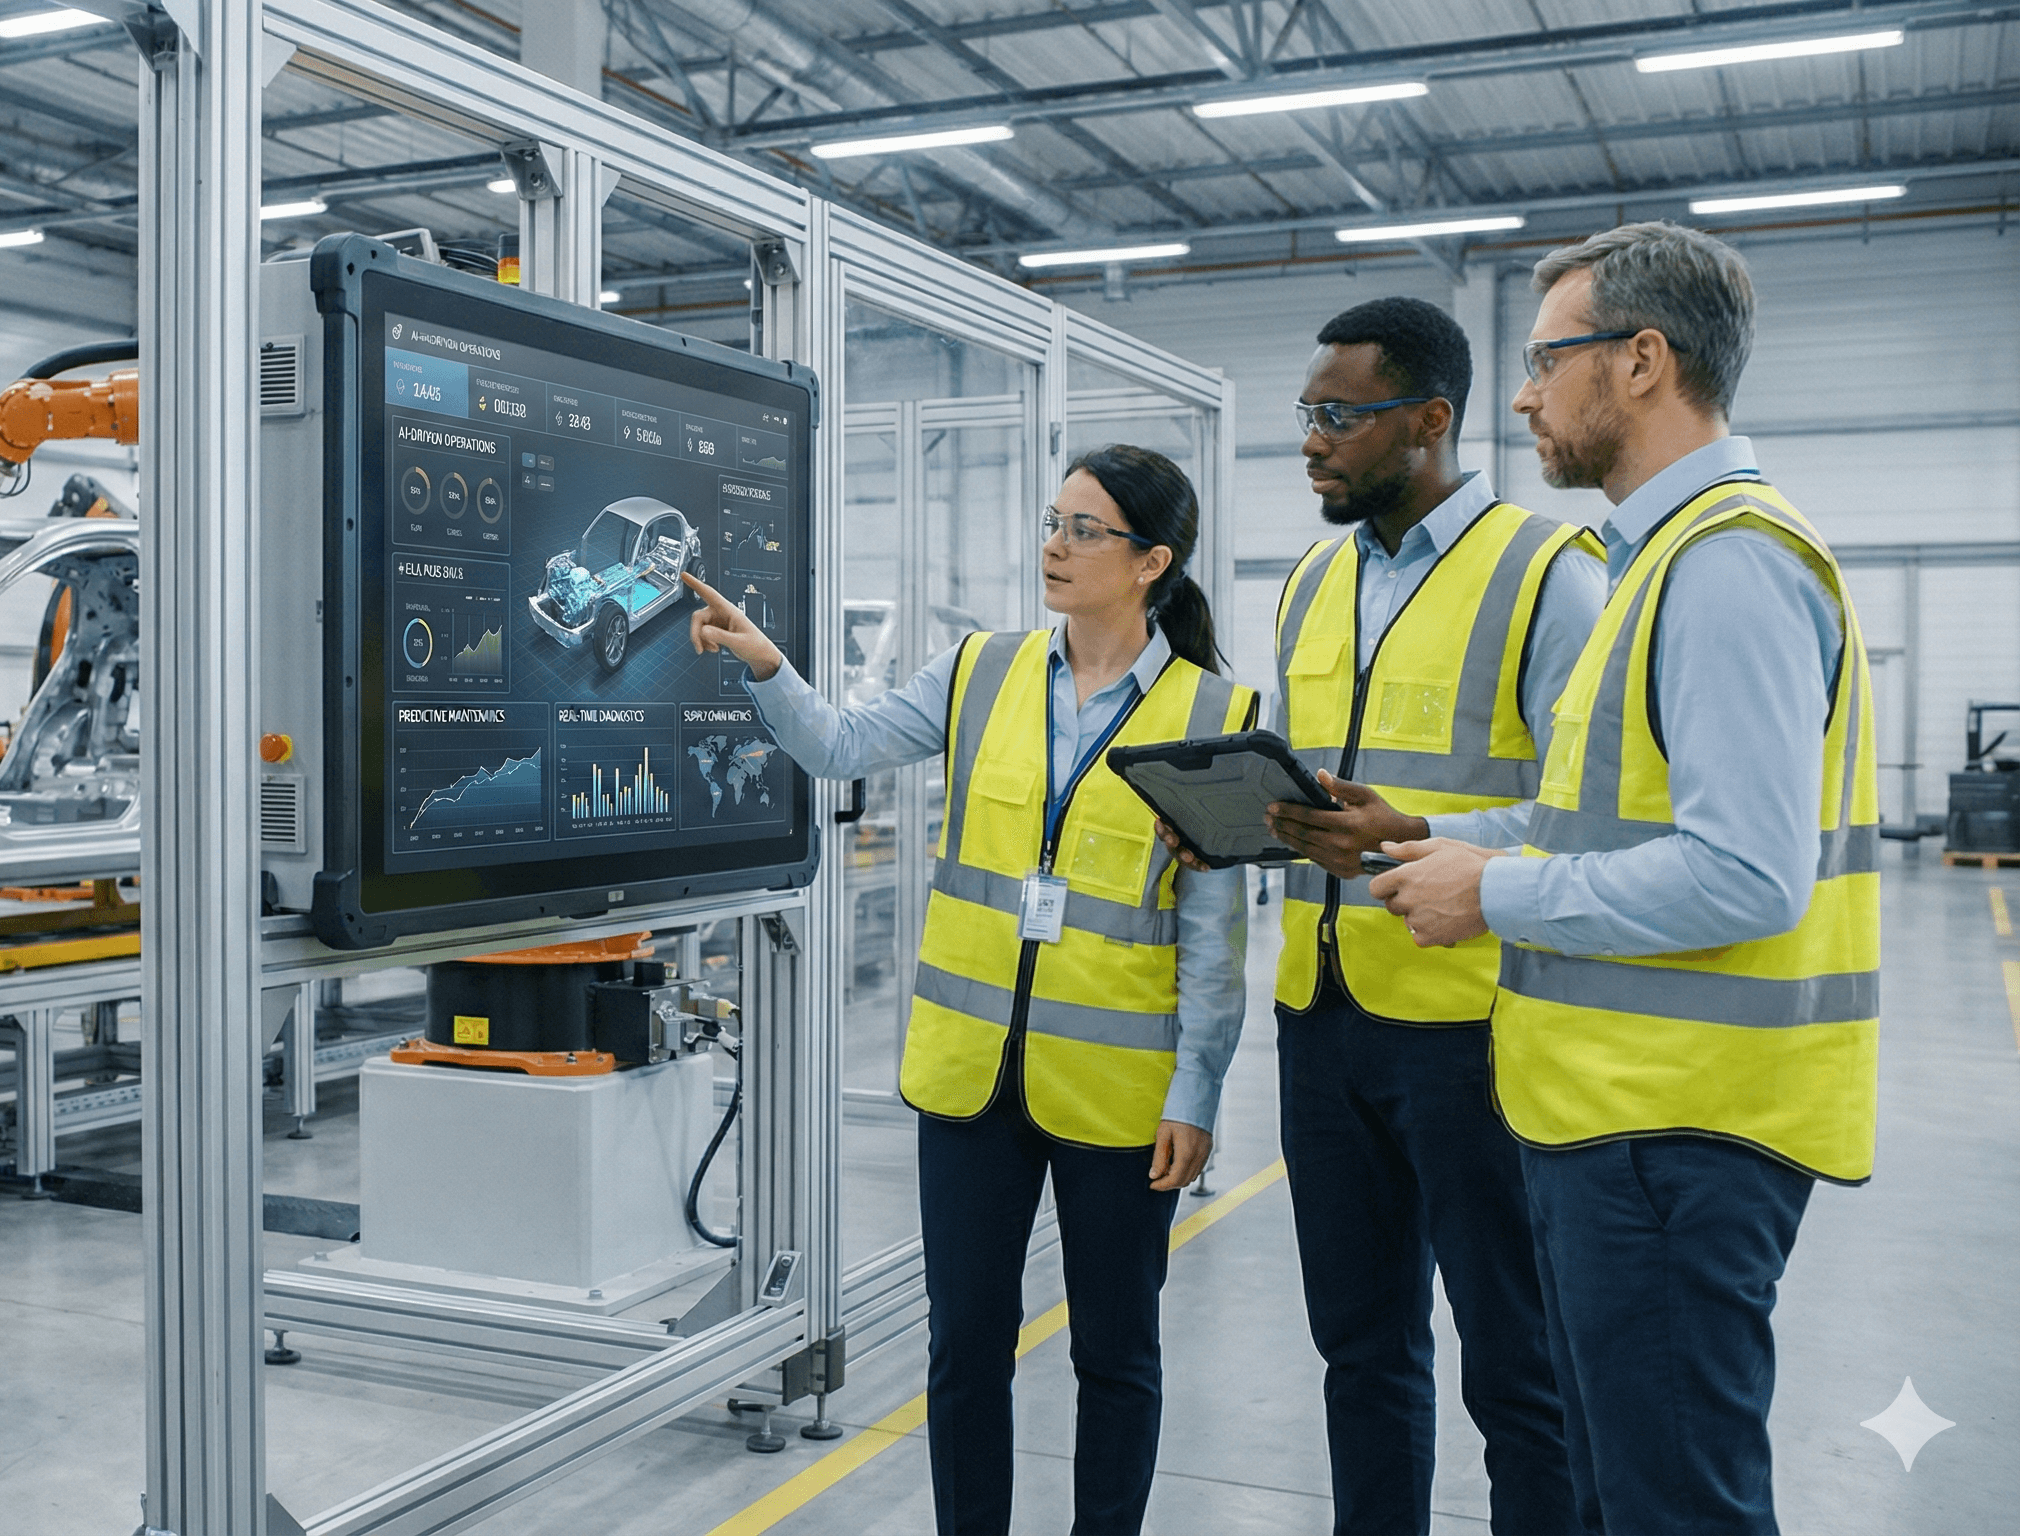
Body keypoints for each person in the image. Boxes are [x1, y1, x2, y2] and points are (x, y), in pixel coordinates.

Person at [1368, 222, 1880, 1536]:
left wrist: (1495, 893)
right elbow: (1604, 813)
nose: (1526, 395)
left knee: (1669, 1510)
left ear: (1643, 359)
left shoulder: (1726, 569)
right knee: (1612, 1498)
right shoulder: (1656, 563)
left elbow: (1748, 877)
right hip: (1620, 1125)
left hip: (1679, 1137)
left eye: (1547, 360)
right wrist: (1440, 833)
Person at [682, 445, 1253, 1536]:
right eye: (1054, 520)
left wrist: (1198, 1091)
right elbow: (841, 747)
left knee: (1117, 1354)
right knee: (965, 1347)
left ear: (1152, 563)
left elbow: (1213, 934)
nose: (1054, 545)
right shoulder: (979, 671)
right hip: (969, 1079)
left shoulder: (1210, 712)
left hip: (1119, 1093)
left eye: (1086, 530)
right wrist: (766, 664)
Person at [1249, 296, 1606, 1535]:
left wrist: (1409, 837)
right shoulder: (1307, 581)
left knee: (1518, 1366)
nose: (1311, 441)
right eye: (1307, 415)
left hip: (1476, 1026)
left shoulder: (1548, 574)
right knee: (1360, 1348)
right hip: (1322, 1012)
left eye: (1338, 416)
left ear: (1431, 420)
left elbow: (1593, 814)